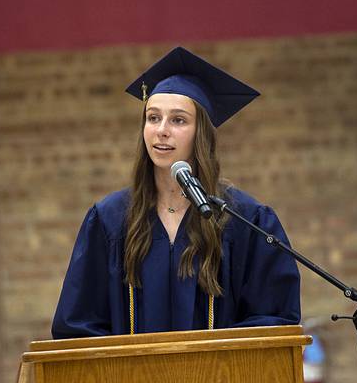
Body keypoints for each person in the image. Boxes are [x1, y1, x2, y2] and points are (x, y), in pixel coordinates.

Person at [51, 47, 301, 338]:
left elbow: (274, 321)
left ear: (201, 133)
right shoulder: (109, 220)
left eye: (178, 120)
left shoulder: (246, 220)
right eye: (153, 117)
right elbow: (76, 327)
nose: (161, 130)